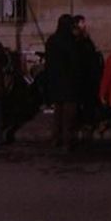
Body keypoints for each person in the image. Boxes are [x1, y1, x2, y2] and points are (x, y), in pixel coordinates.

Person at [45, 14, 80, 152]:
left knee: (58, 113)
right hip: (69, 82)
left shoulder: (52, 40)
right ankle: (67, 141)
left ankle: (55, 138)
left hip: (55, 81)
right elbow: (75, 63)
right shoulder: (71, 41)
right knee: (69, 115)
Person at [73, 15, 103, 139]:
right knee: (86, 101)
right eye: (82, 22)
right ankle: (86, 124)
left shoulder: (84, 37)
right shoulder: (78, 39)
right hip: (84, 74)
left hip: (89, 74)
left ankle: (88, 123)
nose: (84, 25)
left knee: (89, 101)